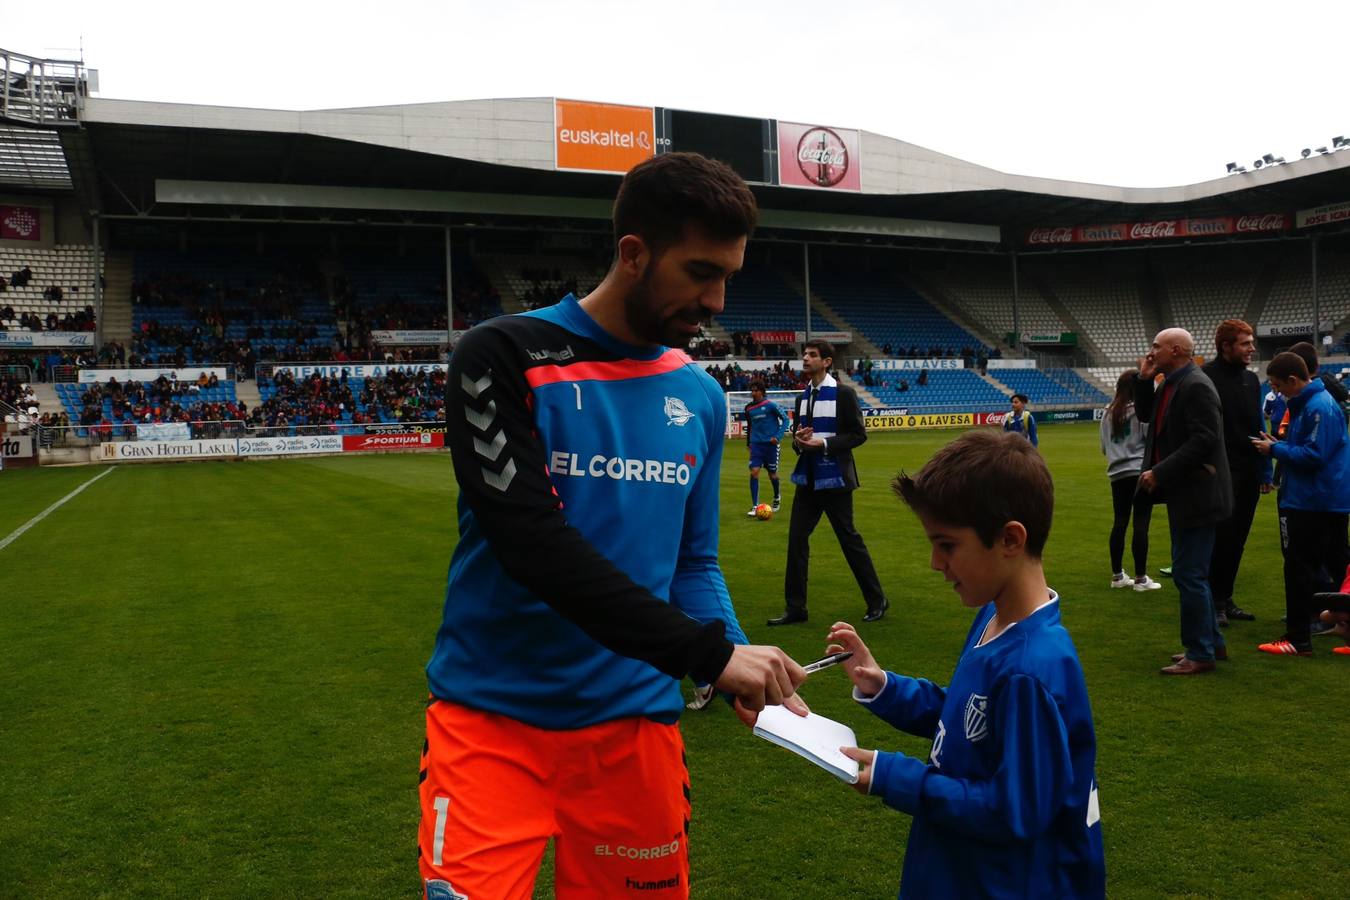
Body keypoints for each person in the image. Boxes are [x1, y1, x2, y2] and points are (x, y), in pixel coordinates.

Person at [423, 152, 808, 900]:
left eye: (728, 274)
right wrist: (707, 652)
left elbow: (693, 563)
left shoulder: (699, 395)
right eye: (701, 271)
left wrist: (733, 655)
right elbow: (531, 542)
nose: (719, 299)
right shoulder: (502, 355)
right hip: (491, 728)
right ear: (634, 254)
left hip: (635, 737)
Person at [827, 430, 1105, 898]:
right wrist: (883, 686)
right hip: (960, 869)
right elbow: (965, 716)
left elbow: (1011, 811)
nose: (935, 563)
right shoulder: (992, 617)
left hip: (1003, 882)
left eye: (948, 545)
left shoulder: (1030, 670)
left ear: (1010, 539)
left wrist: (895, 776)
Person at [768, 339, 889, 625]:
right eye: (804, 355)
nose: (806, 359)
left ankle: (877, 600)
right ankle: (796, 608)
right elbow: (802, 440)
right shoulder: (802, 397)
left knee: (849, 540)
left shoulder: (843, 394)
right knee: (796, 541)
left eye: (812, 355)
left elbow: (858, 435)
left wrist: (822, 444)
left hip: (835, 479)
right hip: (808, 479)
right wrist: (799, 442)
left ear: (826, 362)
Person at [1134, 328, 1231, 675]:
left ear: (1175, 350)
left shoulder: (1196, 385)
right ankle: (1211, 643)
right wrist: (1144, 379)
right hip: (1187, 494)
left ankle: (1200, 651)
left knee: (1189, 574)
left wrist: (1161, 471)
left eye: (1156, 347)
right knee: (1193, 574)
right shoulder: (1173, 382)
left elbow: (1206, 438)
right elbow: (1147, 417)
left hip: (1199, 494)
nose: (1151, 351)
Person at [1251, 352, 1350, 657]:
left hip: (1314, 500)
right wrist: (1280, 445)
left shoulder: (1318, 407)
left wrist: (1275, 449)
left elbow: (1313, 456)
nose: (1278, 392)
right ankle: (1343, 626)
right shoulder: (1314, 404)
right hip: (1325, 498)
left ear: (1293, 380)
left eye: (1279, 386)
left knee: (1299, 568)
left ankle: (1297, 639)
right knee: (1338, 565)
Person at [1202, 319, 1272, 627]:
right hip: (1219, 474)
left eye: (1251, 342)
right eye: (1245, 343)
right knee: (1220, 538)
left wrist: (1265, 471)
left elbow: (1258, 426)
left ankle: (1225, 598)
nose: (1252, 348)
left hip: (1248, 473)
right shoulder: (1205, 378)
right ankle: (1213, 602)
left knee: (1238, 538)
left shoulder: (1251, 380)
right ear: (1226, 346)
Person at [1100, 371, 1161, 591]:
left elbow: (1104, 447)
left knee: (1120, 522)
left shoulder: (1107, 413)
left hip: (1117, 474)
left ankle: (1117, 576)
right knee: (1141, 524)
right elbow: (1150, 441)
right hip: (1139, 472)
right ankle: (1141, 578)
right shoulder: (1140, 411)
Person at [743, 379, 789, 516]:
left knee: (772, 474)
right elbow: (750, 426)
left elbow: (785, 420)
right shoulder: (748, 408)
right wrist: (748, 443)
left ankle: (776, 497)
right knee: (754, 472)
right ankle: (755, 506)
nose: (753, 393)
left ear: (762, 392)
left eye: (756, 390)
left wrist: (778, 436)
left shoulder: (771, 405)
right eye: (752, 390)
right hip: (756, 445)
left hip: (771, 445)